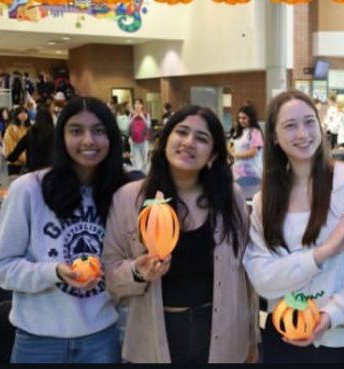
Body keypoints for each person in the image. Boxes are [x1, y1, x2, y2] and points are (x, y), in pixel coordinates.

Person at [101, 105, 259, 363]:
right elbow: (109, 273)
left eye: (201, 138)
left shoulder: (229, 198)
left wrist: (252, 337)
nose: (188, 142)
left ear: (213, 154)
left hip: (221, 333)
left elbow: (246, 276)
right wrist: (138, 272)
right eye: (181, 132)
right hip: (155, 337)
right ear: (165, 141)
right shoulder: (129, 198)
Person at [243, 90, 344, 363]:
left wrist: (332, 314)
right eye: (290, 125)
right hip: (284, 334)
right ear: (274, 137)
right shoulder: (265, 201)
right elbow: (262, 278)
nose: (303, 134)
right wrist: (321, 253)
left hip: (340, 340)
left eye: (310, 122)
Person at [0, 96, 129, 363]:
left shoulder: (121, 193)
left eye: (99, 131)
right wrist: (53, 272)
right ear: (61, 137)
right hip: (38, 342)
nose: (88, 140)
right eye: (76, 131)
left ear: (111, 138)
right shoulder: (29, 189)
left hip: (102, 337)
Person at [6, 105, 55, 172]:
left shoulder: (32, 131)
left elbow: (20, 146)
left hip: (34, 166)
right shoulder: (54, 132)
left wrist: (11, 158)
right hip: (50, 166)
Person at [230, 104, 264, 180]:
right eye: (239, 118)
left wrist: (235, 154)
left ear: (251, 118)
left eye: (244, 118)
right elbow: (232, 147)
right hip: (237, 173)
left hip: (252, 174)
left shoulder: (255, 132)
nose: (241, 120)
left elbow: (253, 152)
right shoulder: (238, 133)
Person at [3, 106, 31, 175]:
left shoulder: (29, 128)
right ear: (16, 115)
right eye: (21, 113)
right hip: (15, 163)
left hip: (28, 163)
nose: (24, 114)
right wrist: (24, 158)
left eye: (25, 112)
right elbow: (11, 147)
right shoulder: (11, 129)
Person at [128, 98, 151, 173]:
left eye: (139, 104)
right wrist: (134, 116)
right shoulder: (131, 114)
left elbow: (148, 125)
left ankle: (144, 171)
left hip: (144, 139)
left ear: (142, 105)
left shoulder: (146, 114)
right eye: (136, 103)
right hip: (134, 139)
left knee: (144, 157)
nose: (137, 105)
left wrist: (143, 117)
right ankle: (136, 172)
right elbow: (128, 125)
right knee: (134, 158)